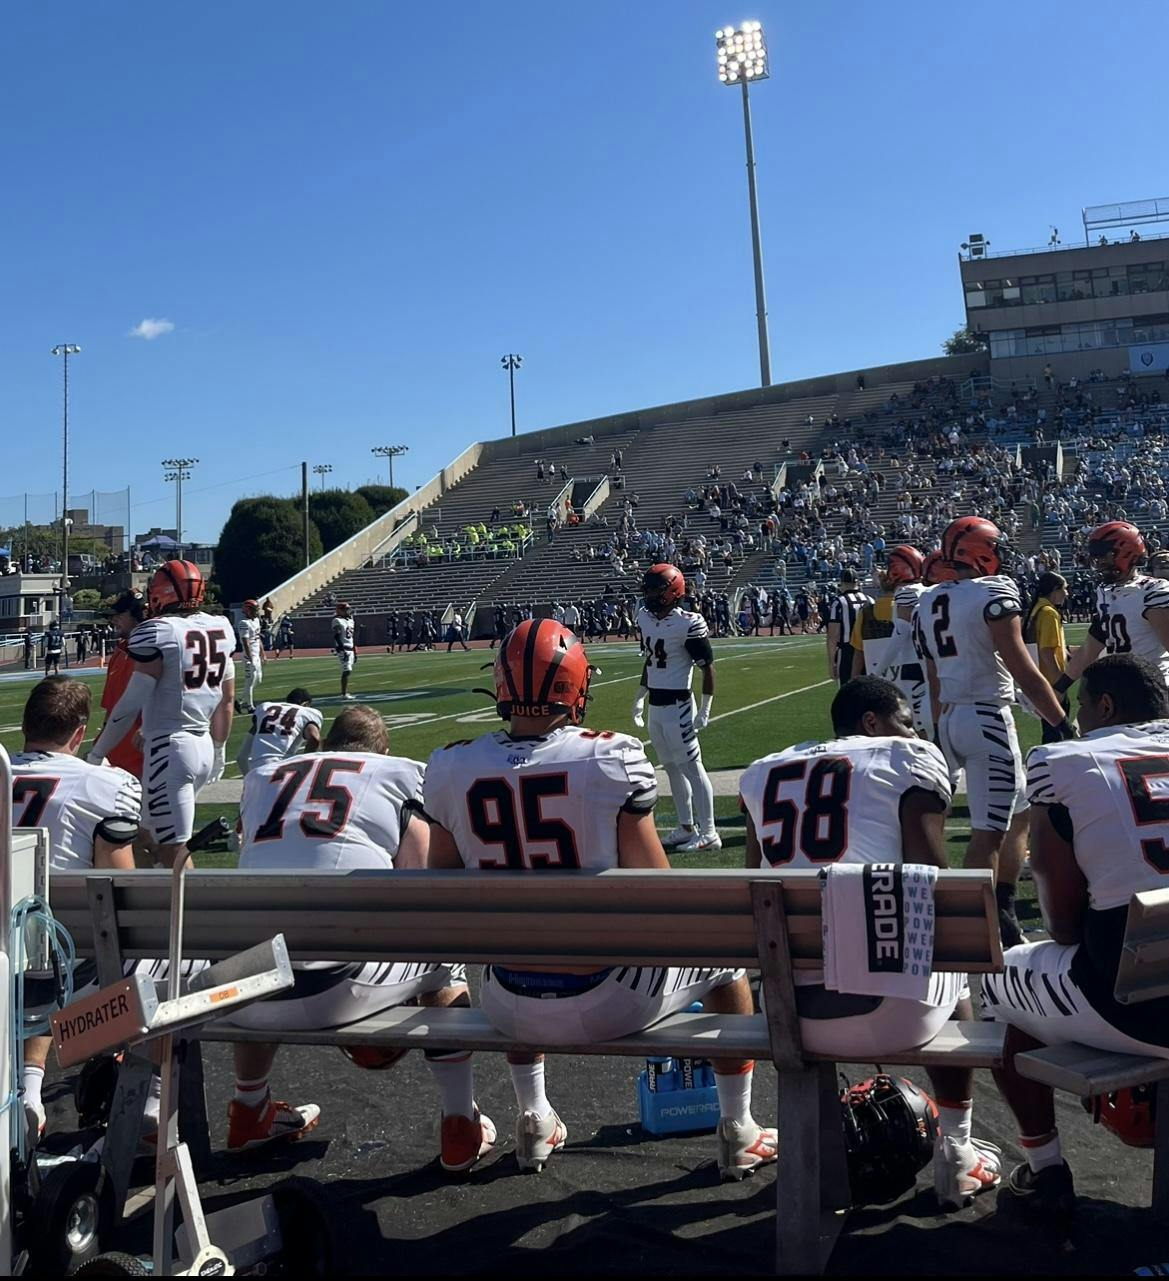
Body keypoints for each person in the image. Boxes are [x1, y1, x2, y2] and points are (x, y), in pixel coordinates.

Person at [422, 620, 776, 1180]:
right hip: (606, 995)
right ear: (575, 686)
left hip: (506, 1001)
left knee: (503, 951)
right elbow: (656, 888)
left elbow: (437, 884)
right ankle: (739, 1129)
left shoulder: (449, 766)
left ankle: (534, 1116)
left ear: (501, 683)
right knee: (726, 965)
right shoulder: (610, 757)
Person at [740, 676, 1001, 1210]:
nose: (913, 731)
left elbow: (751, 890)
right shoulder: (907, 761)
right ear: (873, 722)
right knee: (950, 955)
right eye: (907, 721)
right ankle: (957, 1150)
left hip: (788, 1012)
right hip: (895, 1009)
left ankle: (808, 1144)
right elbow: (936, 885)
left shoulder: (761, 774)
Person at [232, 706, 484, 1165]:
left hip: (245, 991)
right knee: (444, 961)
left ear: (327, 743)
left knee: (265, 946)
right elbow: (419, 886)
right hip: (335, 983)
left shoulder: (263, 775)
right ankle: (459, 1123)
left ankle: (249, 1108)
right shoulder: (400, 774)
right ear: (381, 750)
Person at [984, 655, 1169, 1217]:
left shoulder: (1064, 762)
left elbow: (1062, 926)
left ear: (1105, 706)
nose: (1078, 716)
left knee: (998, 982)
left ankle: (1045, 1169)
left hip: (1137, 1005)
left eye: (1083, 705)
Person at [912, 518, 1072, 947]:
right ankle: (970, 925)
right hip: (987, 718)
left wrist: (939, 733)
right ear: (980, 551)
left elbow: (934, 682)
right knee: (988, 829)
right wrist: (1059, 720)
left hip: (948, 718)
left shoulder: (928, 601)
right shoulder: (994, 591)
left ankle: (999, 903)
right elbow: (1022, 667)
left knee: (1019, 812)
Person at [12, 677, 140, 1135]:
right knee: (153, 966)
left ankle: (29, 1087)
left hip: (7, 962)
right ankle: (147, 1100)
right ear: (80, 732)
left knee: (33, 943)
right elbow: (121, 888)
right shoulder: (105, 785)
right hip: (66, 971)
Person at [87, 560, 235, 869]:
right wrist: (220, 748)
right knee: (146, 833)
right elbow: (227, 699)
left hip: (171, 749)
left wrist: (99, 751)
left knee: (175, 852)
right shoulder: (220, 627)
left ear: (162, 593)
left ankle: (186, 915)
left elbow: (128, 707)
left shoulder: (159, 632)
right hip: (202, 744)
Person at [633, 564, 720, 853]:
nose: (649, 594)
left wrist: (705, 709)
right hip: (656, 707)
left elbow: (708, 669)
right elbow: (651, 661)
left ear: (673, 591)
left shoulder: (689, 623)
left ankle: (709, 832)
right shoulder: (644, 618)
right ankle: (686, 827)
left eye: (656, 589)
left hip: (679, 705)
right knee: (669, 767)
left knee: (692, 768)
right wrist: (640, 695)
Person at [1060, 522, 1169, 688]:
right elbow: (1092, 646)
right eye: (1097, 558)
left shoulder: (1152, 591)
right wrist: (1059, 687)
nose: (1100, 563)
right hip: (1120, 685)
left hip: (1153, 687)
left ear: (1127, 553)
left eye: (1105, 556)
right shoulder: (1105, 592)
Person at [847, 546, 922, 680]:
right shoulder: (926, 594)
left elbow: (900, 635)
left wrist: (876, 672)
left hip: (898, 673)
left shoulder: (904, 594)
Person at [97, 589, 149, 782]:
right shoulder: (119, 653)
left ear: (139, 614)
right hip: (115, 762)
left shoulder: (159, 654)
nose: (114, 620)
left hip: (145, 761)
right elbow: (110, 711)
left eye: (120, 615)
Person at [1024, 572, 1070, 744]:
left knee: (1050, 734)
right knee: (1059, 736)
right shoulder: (1049, 613)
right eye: (1065, 589)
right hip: (1051, 682)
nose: (1067, 593)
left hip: (1040, 679)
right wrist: (1061, 682)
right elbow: (1047, 652)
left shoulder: (1036, 609)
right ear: (1055, 590)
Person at [237, 687, 323, 775]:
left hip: (258, 770)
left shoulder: (265, 708)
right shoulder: (307, 713)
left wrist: (249, 779)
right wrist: (305, 768)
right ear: (306, 704)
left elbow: (241, 757)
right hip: (281, 770)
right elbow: (315, 739)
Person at [237, 599, 263, 713]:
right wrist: (250, 657)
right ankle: (249, 706)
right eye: (254, 609)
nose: (256, 612)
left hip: (256, 654)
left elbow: (258, 638)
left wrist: (263, 653)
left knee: (258, 679)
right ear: (248, 610)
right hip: (249, 655)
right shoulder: (244, 623)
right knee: (250, 681)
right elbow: (245, 641)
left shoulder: (256, 620)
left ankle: (240, 700)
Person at [332, 601, 357, 700]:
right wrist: (342, 649)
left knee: (348, 670)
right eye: (346, 609)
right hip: (343, 648)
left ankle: (345, 693)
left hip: (350, 647)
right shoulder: (337, 620)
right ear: (340, 610)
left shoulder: (350, 621)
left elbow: (351, 637)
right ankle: (344, 694)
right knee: (347, 670)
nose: (348, 611)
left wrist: (355, 650)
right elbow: (337, 636)